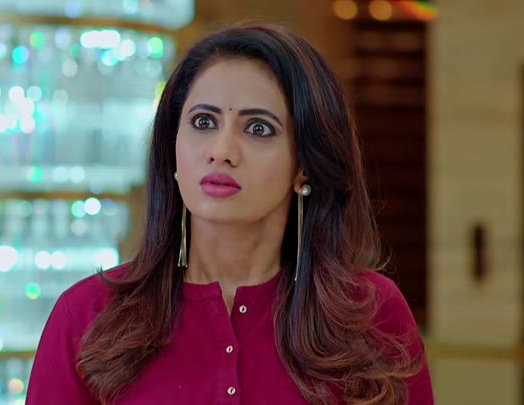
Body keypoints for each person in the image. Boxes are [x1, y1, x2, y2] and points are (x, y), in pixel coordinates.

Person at [26, 22, 434, 404]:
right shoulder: (87, 317)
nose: (221, 151)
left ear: (305, 165)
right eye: (203, 122)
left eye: (259, 128)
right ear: (172, 146)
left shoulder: (371, 314)